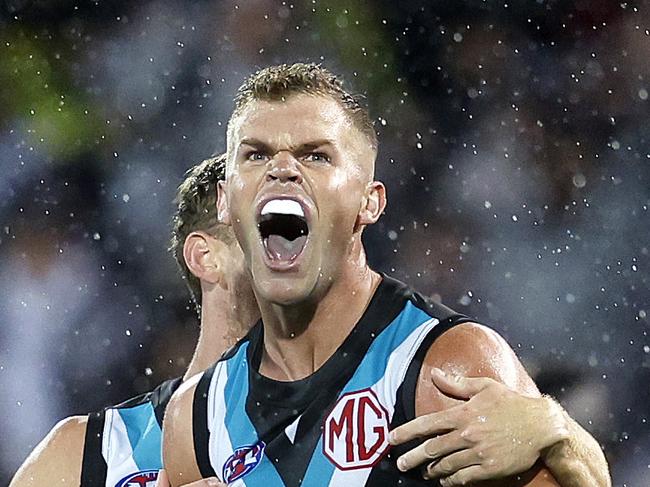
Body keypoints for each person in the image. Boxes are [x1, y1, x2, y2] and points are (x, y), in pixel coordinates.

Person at [161, 63, 611, 487]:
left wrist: (560, 432)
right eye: (256, 154)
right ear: (224, 200)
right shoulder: (194, 420)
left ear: (369, 202)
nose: (282, 169)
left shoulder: (444, 368)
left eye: (315, 156)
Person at [9, 154, 260, 487]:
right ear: (205, 257)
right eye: (273, 228)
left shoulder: (349, 442)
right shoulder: (84, 457)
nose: (295, 251)